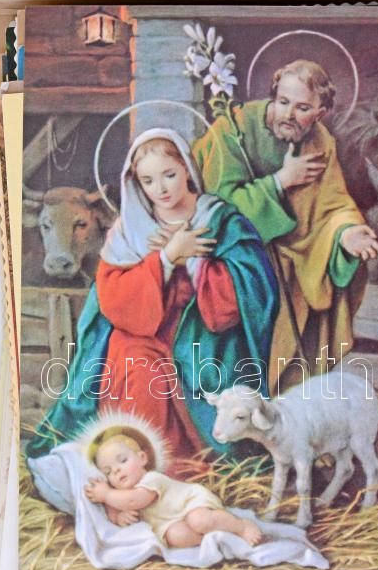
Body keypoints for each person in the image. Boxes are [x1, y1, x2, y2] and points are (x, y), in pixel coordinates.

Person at [26, 128, 278, 460]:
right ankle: (136, 463)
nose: (160, 189)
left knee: (199, 371)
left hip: (204, 334)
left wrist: (195, 263)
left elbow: (251, 290)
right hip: (141, 330)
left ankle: (187, 464)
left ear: (187, 168)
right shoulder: (130, 228)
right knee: (136, 365)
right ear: (136, 183)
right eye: (148, 180)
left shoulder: (221, 220)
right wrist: (166, 258)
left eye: (169, 175)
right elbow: (114, 299)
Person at [194, 59, 378, 393]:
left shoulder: (321, 141)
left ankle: (291, 405)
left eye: (302, 108)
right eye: (283, 102)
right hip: (239, 259)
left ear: (320, 113)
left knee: (325, 286)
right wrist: (280, 181)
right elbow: (217, 207)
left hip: (298, 260)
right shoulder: (232, 130)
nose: (288, 115)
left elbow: (333, 203)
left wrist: (347, 232)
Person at [84, 431, 265, 548]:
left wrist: (106, 494)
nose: (116, 470)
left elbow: (134, 500)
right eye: (108, 472)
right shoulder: (120, 496)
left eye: (122, 460)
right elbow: (116, 511)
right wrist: (119, 517)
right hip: (170, 521)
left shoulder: (151, 479)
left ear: (142, 458)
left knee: (199, 521)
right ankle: (220, 539)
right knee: (176, 537)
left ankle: (241, 526)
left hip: (189, 502)